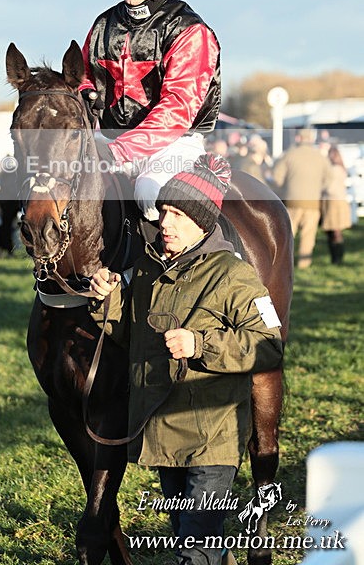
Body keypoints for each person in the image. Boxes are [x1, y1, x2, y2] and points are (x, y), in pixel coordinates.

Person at [89, 154, 283, 565]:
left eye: (176, 213)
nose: (164, 222)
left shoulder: (236, 275)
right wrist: (109, 301)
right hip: (163, 431)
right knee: (191, 537)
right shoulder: (146, 271)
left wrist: (201, 345)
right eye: (162, 211)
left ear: (201, 223)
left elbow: (269, 345)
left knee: (194, 549)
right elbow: (132, 335)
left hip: (212, 436)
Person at [80, 0, 221, 220]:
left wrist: (119, 151)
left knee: (148, 192)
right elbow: (81, 81)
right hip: (110, 143)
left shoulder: (189, 30)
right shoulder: (103, 24)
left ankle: (175, 267)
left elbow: (177, 109)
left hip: (172, 147)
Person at [272, 128, 333, 269]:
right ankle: (304, 264)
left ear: (298, 138)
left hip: (292, 201)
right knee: (308, 236)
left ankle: (285, 264)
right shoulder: (320, 157)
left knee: (289, 235)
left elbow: (277, 178)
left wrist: (284, 188)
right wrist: (318, 188)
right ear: (311, 139)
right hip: (313, 202)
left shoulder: (289, 155)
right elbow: (329, 179)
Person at [321, 146, 352, 264]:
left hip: (333, 202)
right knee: (335, 231)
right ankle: (337, 257)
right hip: (339, 201)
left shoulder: (334, 170)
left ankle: (337, 258)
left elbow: (330, 187)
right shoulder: (341, 169)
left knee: (335, 231)